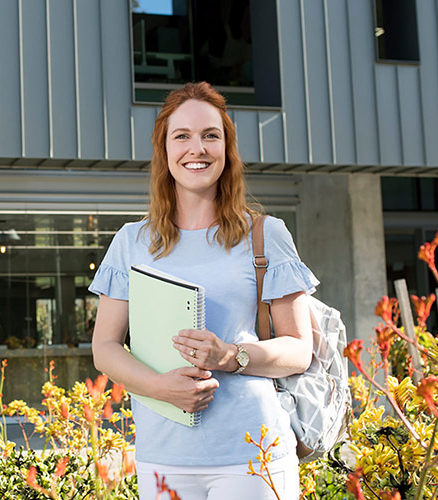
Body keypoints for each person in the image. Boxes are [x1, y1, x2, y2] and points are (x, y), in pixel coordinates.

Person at [89, 82, 318, 499]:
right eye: (183, 136)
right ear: (165, 151)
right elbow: (104, 346)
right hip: (163, 457)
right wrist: (161, 388)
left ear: (227, 150)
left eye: (211, 135)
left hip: (254, 452)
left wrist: (230, 356)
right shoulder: (130, 242)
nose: (198, 148)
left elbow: (300, 351)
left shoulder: (266, 235)